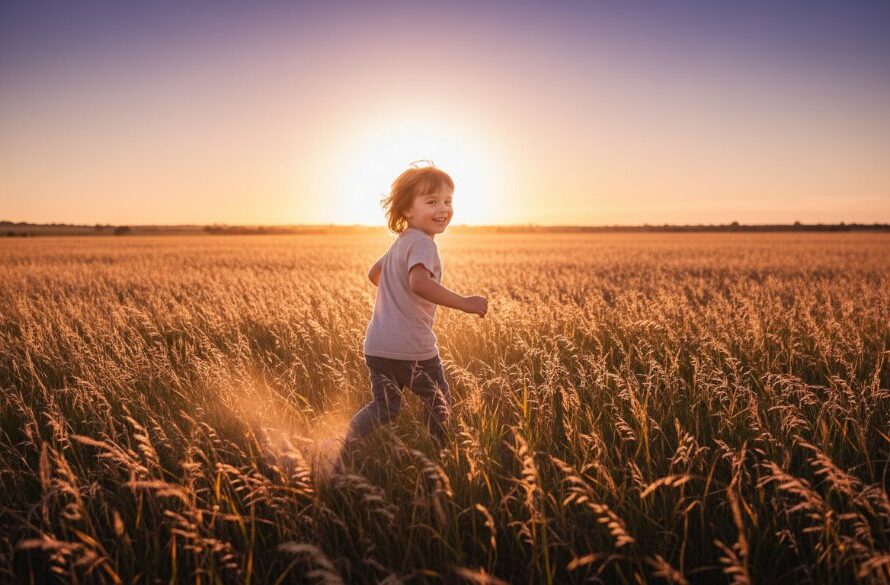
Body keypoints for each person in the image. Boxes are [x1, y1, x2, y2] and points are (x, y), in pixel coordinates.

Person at [339, 161, 488, 463]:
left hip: (379, 346)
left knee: (384, 408)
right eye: (431, 202)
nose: (443, 208)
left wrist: (396, 296)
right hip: (413, 349)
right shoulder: (424, 244)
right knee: (439, 402)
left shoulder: (402, 242)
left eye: (447, 201)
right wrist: (465, 303)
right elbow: (419, 283)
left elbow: (374, 273)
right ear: (407, 210)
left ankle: (342, 445)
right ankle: (442, 457)